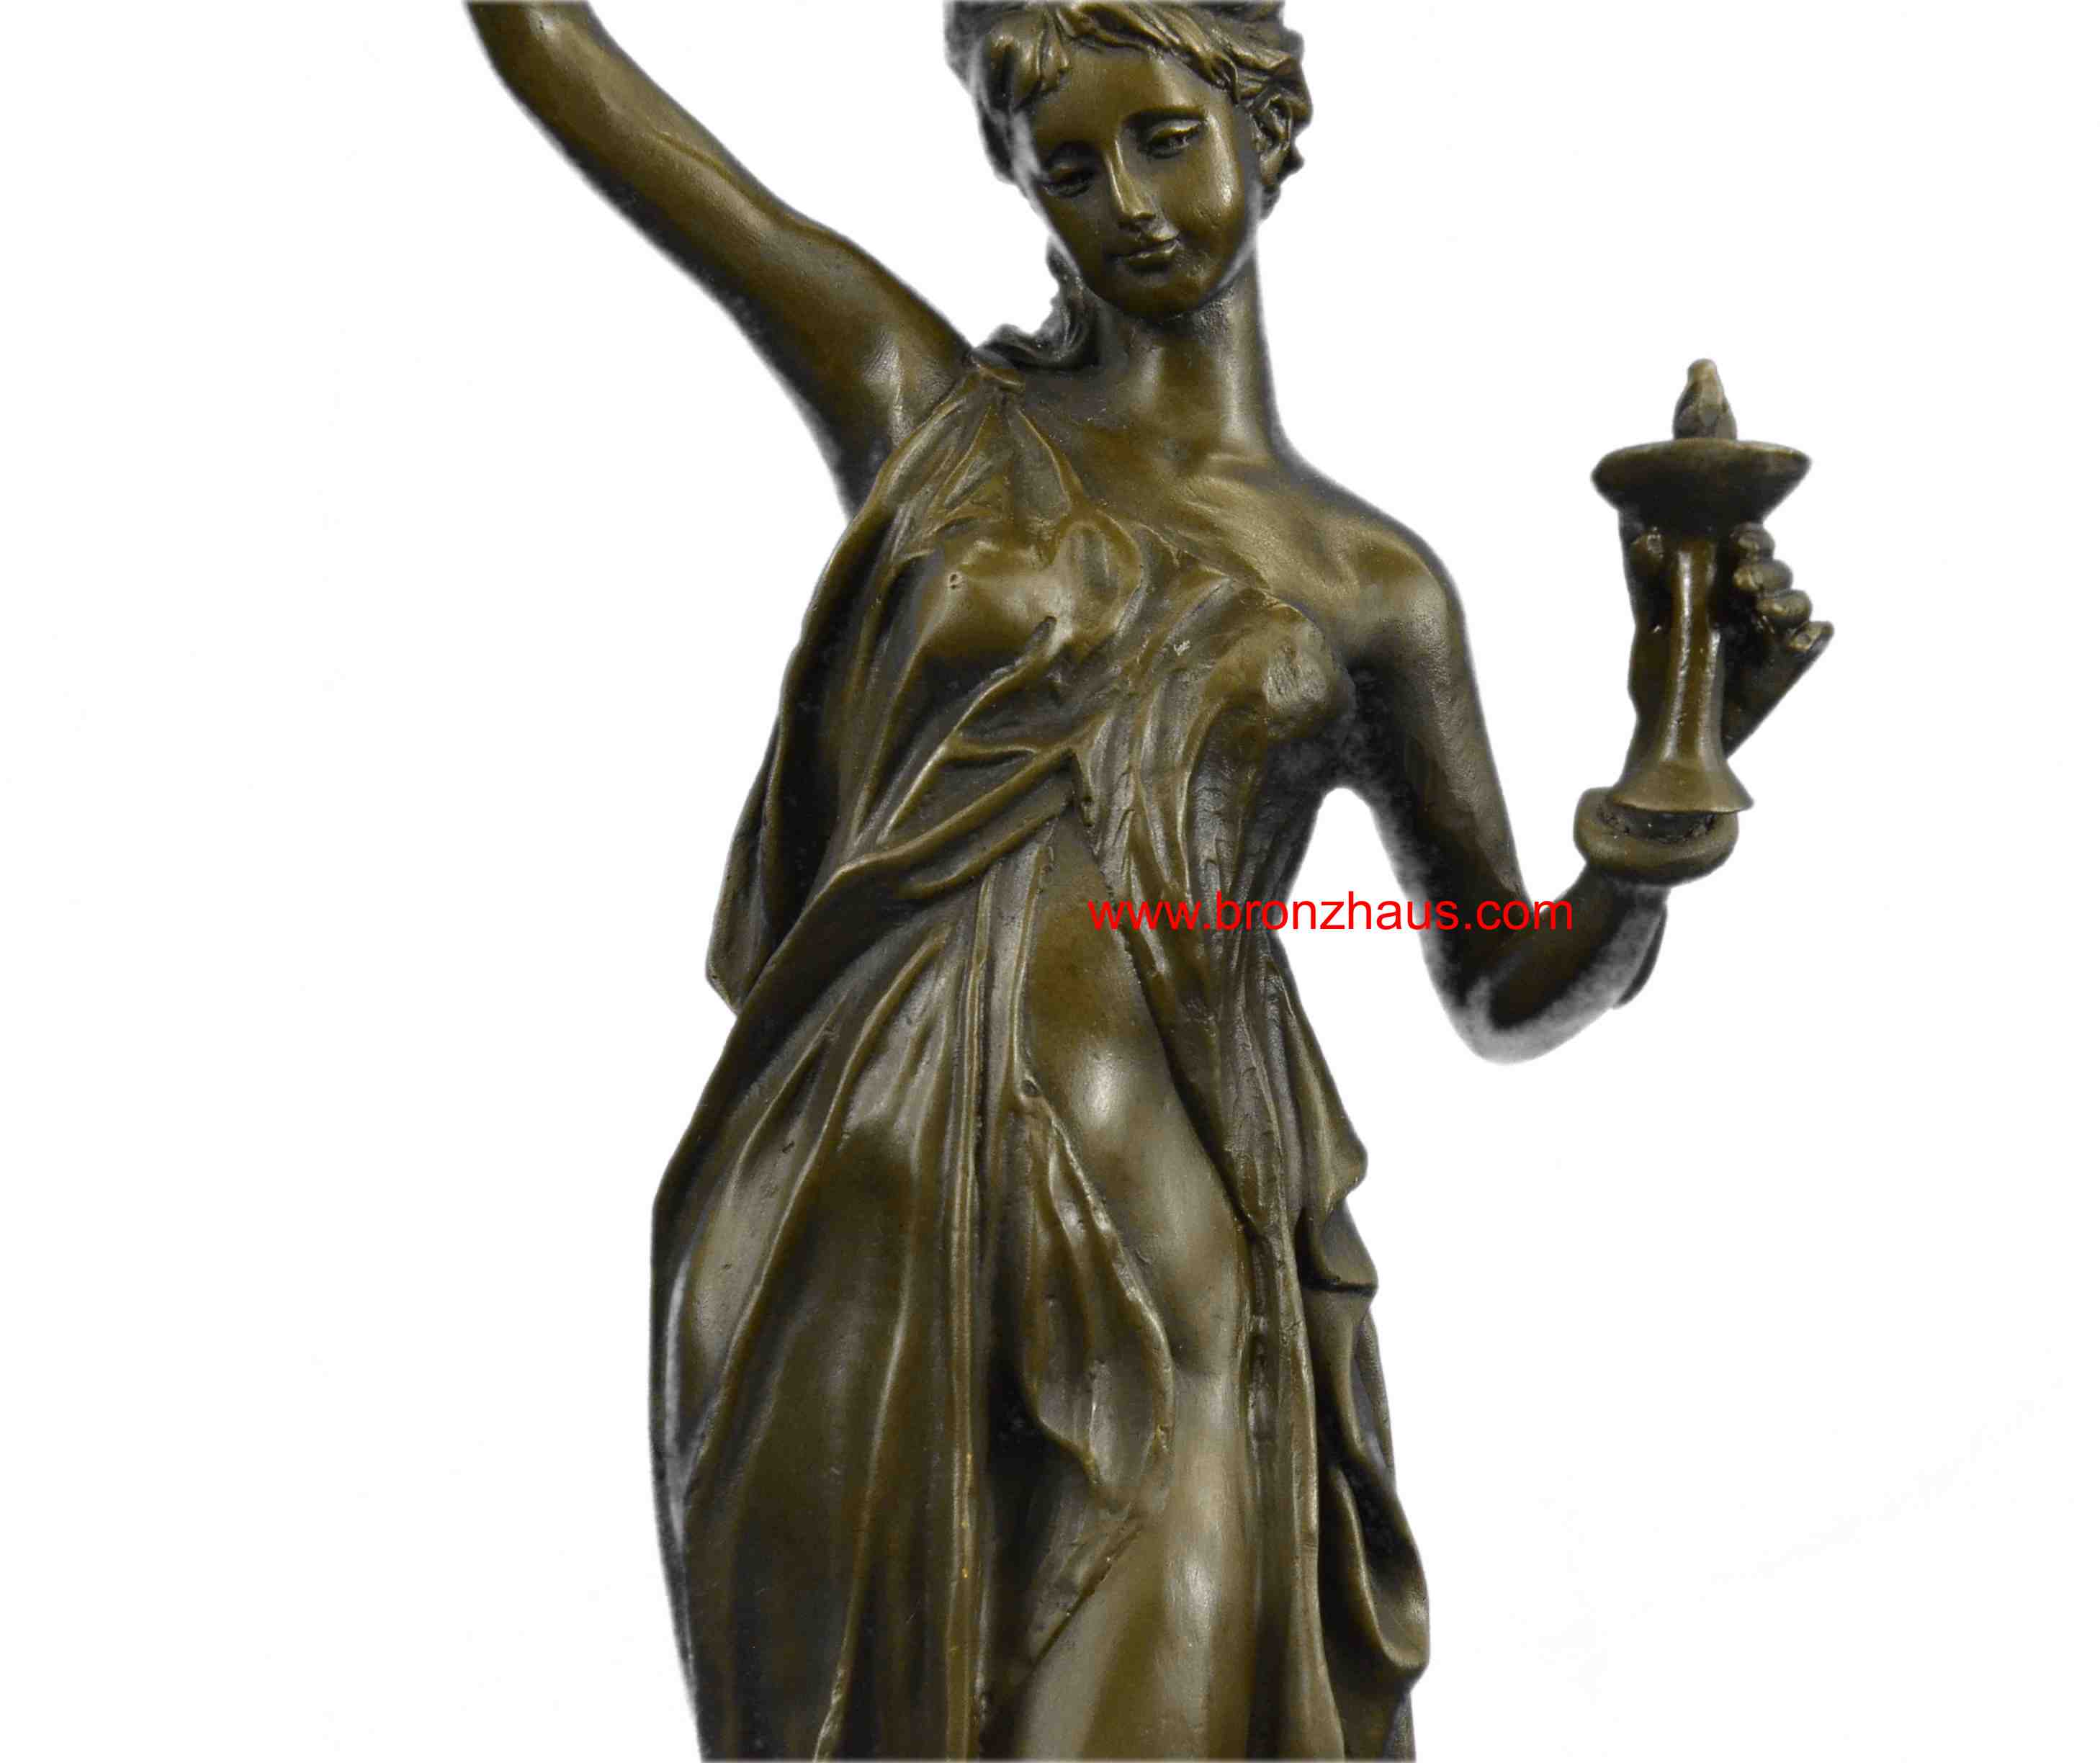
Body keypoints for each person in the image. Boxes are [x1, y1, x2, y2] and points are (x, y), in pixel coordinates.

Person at [470, 5, 1830, 1755]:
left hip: (1174, 1227)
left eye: (1165, 139)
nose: (1125, 201)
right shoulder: (928, 412)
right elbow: (588, 85)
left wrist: (1656, 796)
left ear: (1267, 123)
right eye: (1067, 164)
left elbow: (1500, 977)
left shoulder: (1366, 586)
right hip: (860, 1204)